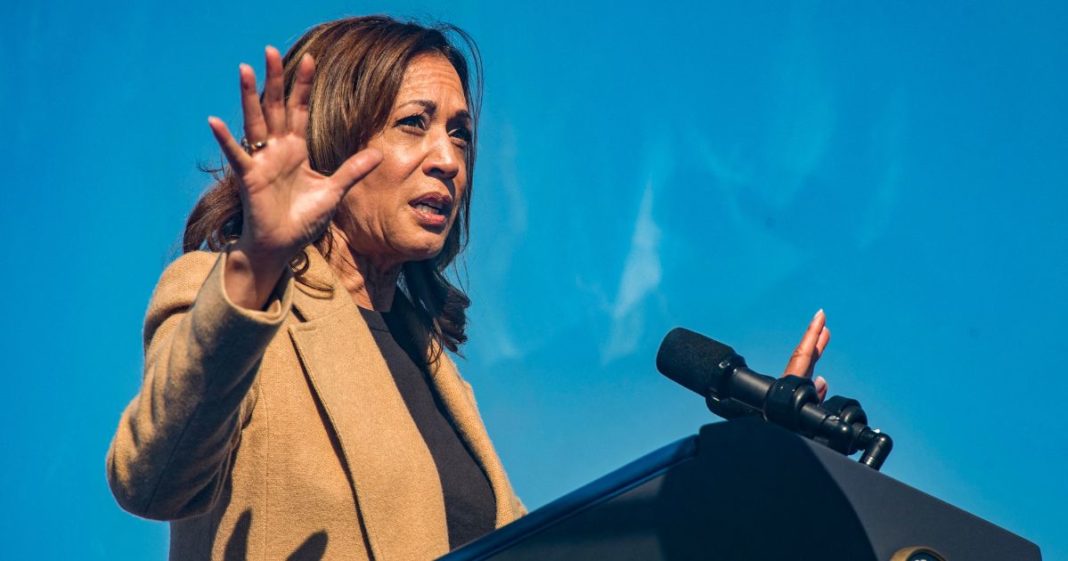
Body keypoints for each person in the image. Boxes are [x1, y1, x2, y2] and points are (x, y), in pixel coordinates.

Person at [107, 14, 831, 561]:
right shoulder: (227, 297)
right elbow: (151, 477)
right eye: (414, 124)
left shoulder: (436, 374)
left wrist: (743, 467)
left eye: (460, 133)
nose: (448, 158)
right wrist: (255, 265)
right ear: (335, 137)